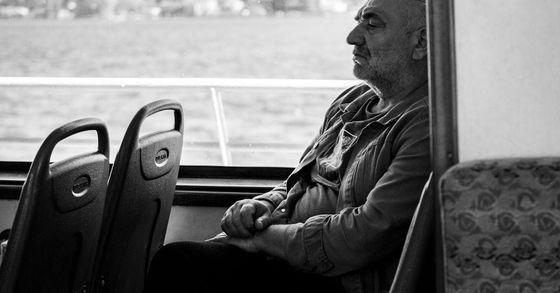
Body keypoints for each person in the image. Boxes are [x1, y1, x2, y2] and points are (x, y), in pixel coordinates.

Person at [144, 0, 429, 292]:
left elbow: (364, 238)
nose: (352, 37)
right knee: (179, 261)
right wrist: (262, 204)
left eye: (372, 24)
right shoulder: (351, 103)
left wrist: (261, 240)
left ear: (420, 42)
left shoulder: (424, 127)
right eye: (357, 21)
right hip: (285, 253)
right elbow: (300, 182)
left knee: (179, 264)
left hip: (341, 278)